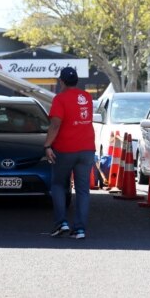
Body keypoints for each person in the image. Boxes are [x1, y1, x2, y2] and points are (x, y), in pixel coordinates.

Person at [44, 67, 95, 239]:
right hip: (87, 149)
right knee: (83, 190)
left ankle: (61, 223)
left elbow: (55, 124)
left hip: (65, 149)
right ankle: (80, 229)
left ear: (62, 81)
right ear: (77, 81)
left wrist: (47, 145)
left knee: (58, 185)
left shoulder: (60, 99)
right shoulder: (87, 97)